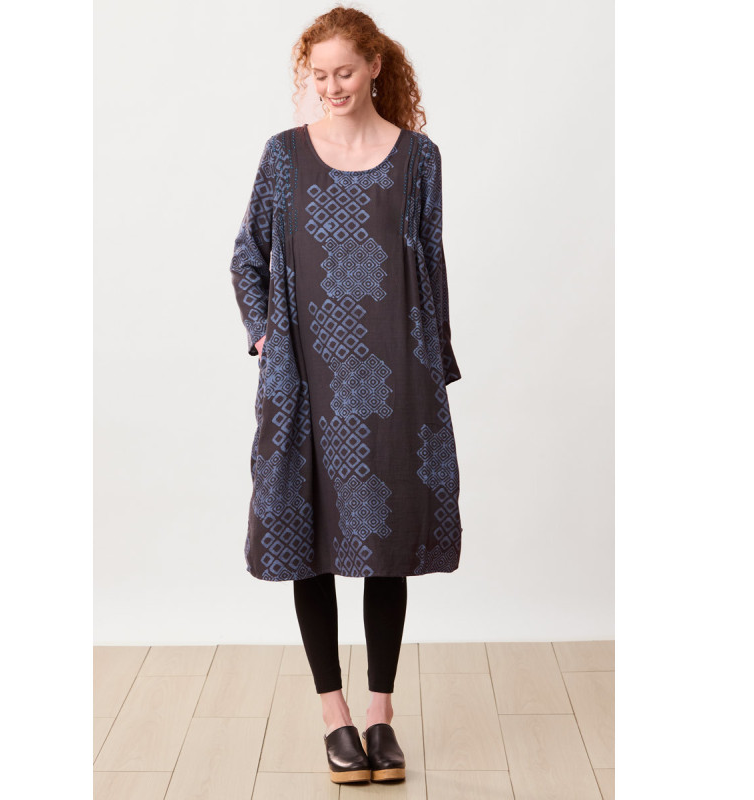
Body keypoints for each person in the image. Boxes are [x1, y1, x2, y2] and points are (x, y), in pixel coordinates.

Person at [229, 6, 463, 785]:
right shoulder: (284, 156)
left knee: (386, 545)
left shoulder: (419, 158)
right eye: (318, 75)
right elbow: (248, 254)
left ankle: (380, 715)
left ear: (374, 67)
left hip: (395, 376)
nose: (331, 87)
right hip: (304, 379)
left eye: (345, 72)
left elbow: (430, 263)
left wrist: (436, 364)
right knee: (310, 538)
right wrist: (263, 334)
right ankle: (335, 717)